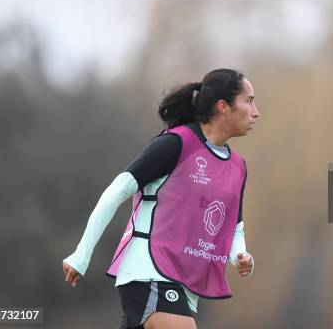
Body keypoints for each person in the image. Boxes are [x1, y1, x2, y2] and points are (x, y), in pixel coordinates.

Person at [62, 68, 259, 329]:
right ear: (223, 107)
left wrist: (241, 255)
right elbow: (116, 191)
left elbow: (234, 227)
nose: (256, 112)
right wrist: (81, 255)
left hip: (185, 283)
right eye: (249, 101)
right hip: (148, 269)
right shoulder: (175, 144)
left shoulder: (238, 167)